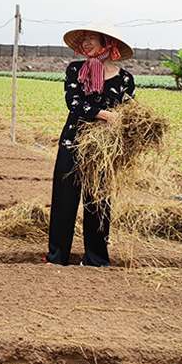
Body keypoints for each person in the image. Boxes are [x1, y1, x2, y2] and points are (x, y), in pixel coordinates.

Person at [45, 19, 135, 267]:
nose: (85, 43)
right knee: (64, 199)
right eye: (83, 38)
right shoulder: (75, 70)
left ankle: (96, 259)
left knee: (99, 202)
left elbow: (128, 111)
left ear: (107, 43)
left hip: (103, 150)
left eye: (90, 38)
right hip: (73, 142)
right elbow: (74, 104)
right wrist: (105, 115)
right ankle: (57, 257)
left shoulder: (125, 79)